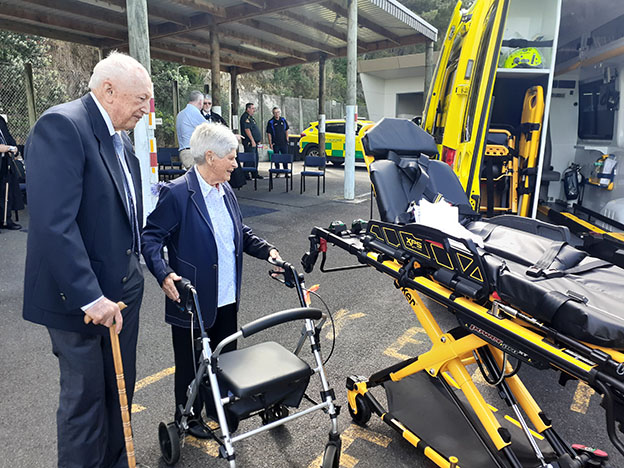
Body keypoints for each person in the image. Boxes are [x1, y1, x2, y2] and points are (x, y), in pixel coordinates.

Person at [23, 52, 151, 468]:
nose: (147, 108)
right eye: (141, 98)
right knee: (86, 404)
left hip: (122, 292)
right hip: (83, 303)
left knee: (119, 395)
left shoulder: (120, 138)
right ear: (108, 90)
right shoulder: (63, 126)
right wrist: (91, 297)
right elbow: (53, 224)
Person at [141, 122, 281, 438]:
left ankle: (221, 407)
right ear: (210, 157)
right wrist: (163, 274)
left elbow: (238, 232)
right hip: (191, 299)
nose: (235, 163)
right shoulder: (178, 193)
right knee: (190, 365)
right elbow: (150, 238)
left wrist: (267, 250)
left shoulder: (226, 189)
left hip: (227, 296)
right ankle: (186, 418)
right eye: (230, 157)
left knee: (224, 361)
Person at [0, 114, 24, 230]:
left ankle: (6, 219)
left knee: (6, 191)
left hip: (4, 162)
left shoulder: (1, 121)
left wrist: (13, 148)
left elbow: (8, 138)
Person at [176, 90, 205, 169]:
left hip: (184, 152)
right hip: (192, 153)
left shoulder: (180, 114)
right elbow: (210, 129)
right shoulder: (194, 112)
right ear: (200, 102)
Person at [240, 102, 263, 179]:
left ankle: (254, 173)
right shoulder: (245, 117)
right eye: (252, 108)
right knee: (249, 158)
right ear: (248, 109)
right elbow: (247, 129)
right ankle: (246, 174)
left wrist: (257, 140)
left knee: (255, 158)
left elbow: (253, 129)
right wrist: (252, 140)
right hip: (249, 142)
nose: (254, 110)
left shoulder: (251, 118)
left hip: (254, 142)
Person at [266, 106, 290, 173]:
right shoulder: (271, 122)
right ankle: (277, 171)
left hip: (284, 143)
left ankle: (286, 171)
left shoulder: (283, 120)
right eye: (275, 112)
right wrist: (270, 143)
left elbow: (286, 130)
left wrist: (287, 138)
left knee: (285, 157)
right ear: (273, 113)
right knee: (276, 158)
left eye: (278, 112)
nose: (277, 114)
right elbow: (269, 133)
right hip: (275, 143)